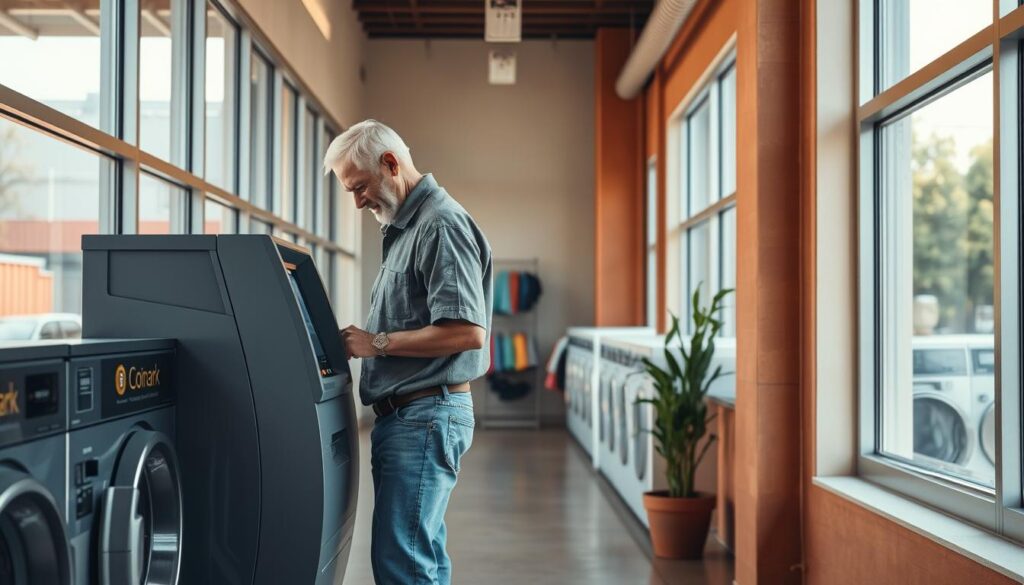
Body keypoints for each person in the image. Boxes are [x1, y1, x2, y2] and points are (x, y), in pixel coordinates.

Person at [323, 119, 492, 585]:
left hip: (425, 413)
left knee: (404, 564)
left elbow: (467, 331)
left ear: (390, 164)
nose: (357, 202)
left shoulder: (440, 224)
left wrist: (374, 342)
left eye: (359, 187)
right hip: (411, 416)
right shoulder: (406, 228)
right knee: (419, 557)